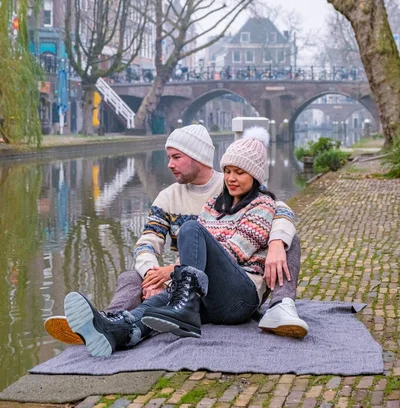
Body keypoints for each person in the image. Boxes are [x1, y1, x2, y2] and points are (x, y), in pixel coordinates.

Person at [45, 125, 308, 344]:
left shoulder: (247, 195)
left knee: (198, 229)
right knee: (141, 285)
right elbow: (147, 240)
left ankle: (280, 305)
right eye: (228, 171)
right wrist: (152, 274)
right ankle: (114, 327)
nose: (169, 164)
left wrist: (275, 243)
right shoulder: (181, 199)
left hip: (234, 288)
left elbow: (274, 213)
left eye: (176, 157)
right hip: (199, 286)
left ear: (198, 157)